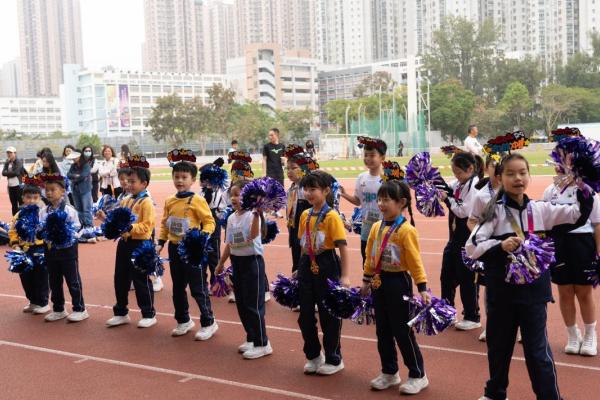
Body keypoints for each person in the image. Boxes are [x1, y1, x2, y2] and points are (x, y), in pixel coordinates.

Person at [465, 153, 593, 400]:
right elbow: (472, 246)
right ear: (500, 177)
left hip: (534, 295)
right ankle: (495, 393)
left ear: (529, 176)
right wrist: (500, 245)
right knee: (499, 347)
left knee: (537, 352)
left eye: (523, 173)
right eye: (511, 173)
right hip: (501, 294)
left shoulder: (541, 209)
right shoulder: (494, 212)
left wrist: (582, 183)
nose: (518, 178)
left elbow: (578, 214)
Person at [362, 179, 430, 395]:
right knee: (382, 330)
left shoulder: (406, 230)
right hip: (378, 282)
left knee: (402, 330)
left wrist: (422, 287)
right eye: (379, 199)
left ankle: (418, 374)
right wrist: (366, 280)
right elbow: (370, 256)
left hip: (398, 282)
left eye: (386, 200)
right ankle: (389, 372)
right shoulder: (376, 227)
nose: (381, 204)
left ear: (401, 203)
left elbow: (415, 261)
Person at [156, 153, 219, 340]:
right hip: (175, 249)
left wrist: (202, 238)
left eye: (184, 177)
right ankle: (183, 320)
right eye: (176, 177)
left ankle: (209, 322)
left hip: (193, 250)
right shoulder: (170, 200)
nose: (180, 181)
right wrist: (161, 242)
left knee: (198, 288)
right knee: (178, 287)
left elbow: (209, 222)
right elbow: (165, 224)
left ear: (193, 180)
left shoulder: (197, 200)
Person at [297, 170, 349, 375]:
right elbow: (303, 243)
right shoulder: (304, 215)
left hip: (327, 264)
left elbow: (342, 247)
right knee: (305, 315)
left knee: (329, 314)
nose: (309, 193)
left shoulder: (331, 216)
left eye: (313, 189)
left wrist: (345, 275)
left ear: (326, 191)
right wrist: (299, 267)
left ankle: (334, 358)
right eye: (306, 189)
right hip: (306, 264)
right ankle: (313, 355)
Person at [543, 170, 599, 356]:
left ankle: (590, 334)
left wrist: (599, 253)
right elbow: (544, 220)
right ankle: (573, 334)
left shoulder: (588, 190)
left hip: (583, 244)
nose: (560, 170)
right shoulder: (550, 191)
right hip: (559, 244)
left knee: (584, 292)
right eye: (557, 166)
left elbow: (598, 223)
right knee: (565, 291)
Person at [216, 179, 273, 359]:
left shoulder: (251, 215)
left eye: (238, 194)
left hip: (252, 262)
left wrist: (257, 213)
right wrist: (221, 263)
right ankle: (251, 337)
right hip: (237, 262)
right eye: (232, 195)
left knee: (253, 304)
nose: (234, 198)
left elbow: (254, 235)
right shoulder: (231, 217)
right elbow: (229, 243)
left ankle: (262, 343)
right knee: (241, 303)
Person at [104, 158, 157, 328]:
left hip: (140, 246)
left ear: (144, 183)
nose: (129, 184)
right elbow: (117, 219)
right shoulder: (126, 200)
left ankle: (148, 313)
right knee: (120, 278)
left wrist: (130, 227)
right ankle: (121, 312)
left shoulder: (146, 202)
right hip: (124, 244)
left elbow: (147, 226)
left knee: (141, 279)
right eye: (128, 181)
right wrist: (105, 219)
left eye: (133, 181)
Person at [439, 152, 483, 331]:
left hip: (467, 240)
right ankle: (447, 313)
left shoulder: (475, 186)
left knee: (467, 279)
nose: (456, 175)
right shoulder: (460, 183)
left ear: (470, 169)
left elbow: (463, 211)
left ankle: (472, 316)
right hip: (454, 239)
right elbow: (448, 187)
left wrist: (447, 199)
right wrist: (432, 180)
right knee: (446, 276)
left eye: (458, 172)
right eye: (454, 172)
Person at [38, 173, 88, 322]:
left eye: (52, 189)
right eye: (46, 190)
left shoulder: (69, 210)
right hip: (50, 251)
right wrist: (42, 233)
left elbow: (78, 228)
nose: (49, 193)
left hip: (68, 251)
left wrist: (66, 234)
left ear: (63, 191)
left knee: (73, 280)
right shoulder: (43, 211)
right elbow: (39, 230)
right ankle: (59, 309)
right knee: (54, 281)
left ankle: (80, 309)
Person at [340, 136, 387, 264]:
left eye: (372, 155)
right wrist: (344, 194)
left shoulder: (387, 179)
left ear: (382, 158)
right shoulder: (361, 178)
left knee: (382, 262)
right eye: (366, 155)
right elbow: (358, 201)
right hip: (366, 228)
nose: (368, 158)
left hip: (384, 227)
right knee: (366, 261)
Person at [8, 183, 49, 315]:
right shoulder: (19, 214)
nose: (31, 200)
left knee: (41, 277)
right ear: (23, 198)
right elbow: (12, 230)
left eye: (35, 197)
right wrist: (15, 244)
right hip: (23, 250)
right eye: (28, 197)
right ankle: (33, 301)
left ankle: (43, 302)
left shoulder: (43, 213)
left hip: (40, 249)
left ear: (40, 198)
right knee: (26, 277)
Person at [285, 145, 316, 275]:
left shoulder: (307, 189)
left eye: (293, 168)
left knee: (307, 264)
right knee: (296, 262)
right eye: (287, 168)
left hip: (307, 232)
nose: (289, 171)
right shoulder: (291, 189)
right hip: (294, 232)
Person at [199, 158, 230, 286]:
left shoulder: (220, 191)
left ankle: (216, 282)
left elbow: (226, 183)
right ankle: (202, 282)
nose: (200, 180)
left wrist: (215, 168)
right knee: (201, 254)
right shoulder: (201, 192)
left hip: (214, 222)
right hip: (201, 223)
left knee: (214, 254)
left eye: (203, 177)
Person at [67, 150, 93, 228]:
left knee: (86, 209)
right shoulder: (73, 165)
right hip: (75, 190)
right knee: (78, 209)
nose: (73, 159)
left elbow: (83, 176)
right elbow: (68, 175)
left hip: (85, 190)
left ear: (79, 156)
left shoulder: (86, 165)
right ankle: (82, 224)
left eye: (75, 157)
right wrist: (77, 176)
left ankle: (89, 225)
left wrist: (74, 177)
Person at [262, 128, 286, 205]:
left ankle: (278, 207)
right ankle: (271, 207)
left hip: (279, 173)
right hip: (270, 173)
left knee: (280, 192)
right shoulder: (266, 146)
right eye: (269, 135)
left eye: (272, 135)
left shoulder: (282, 146)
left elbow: (284, 161)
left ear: (277, 135)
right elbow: (264, 160)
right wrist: (264, 173)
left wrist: (284, 161)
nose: (270, 137)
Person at [3, 146, 24, 215]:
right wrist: (11, 173)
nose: (9, 154)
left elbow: (16, 173)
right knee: (14, 205)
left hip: (19, 186)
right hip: (11, 186)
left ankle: (22, 219)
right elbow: (3, 173)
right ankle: (14, 220)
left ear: (15, 153)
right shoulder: (7, 162)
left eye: (11, 153)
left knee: (21, 204)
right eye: (8, 153)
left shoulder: (19, 161)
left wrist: (7, 173)